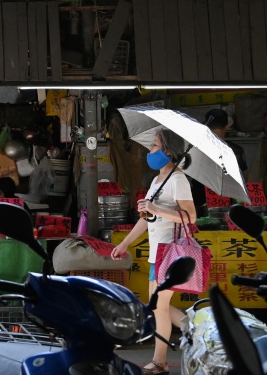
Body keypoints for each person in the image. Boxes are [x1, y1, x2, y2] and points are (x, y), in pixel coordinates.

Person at [110, 129, 197, 375]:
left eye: (154, 145)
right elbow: (146, 219)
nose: (150, 150)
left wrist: (156, 208)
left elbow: (190, 217)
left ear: (168, 151)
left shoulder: (178, 179)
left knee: (159, 305)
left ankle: (162, 360)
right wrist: (125, 243)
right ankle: (197, 331)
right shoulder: (158, 180)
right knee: (157, 305)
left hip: (170, 252)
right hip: (156, 253)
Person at [189, 109, 247, 214]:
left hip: (198, 202)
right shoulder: (236, 150)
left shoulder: (194, 148)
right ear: (227, 126)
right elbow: (243, 180)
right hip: (226, 202)